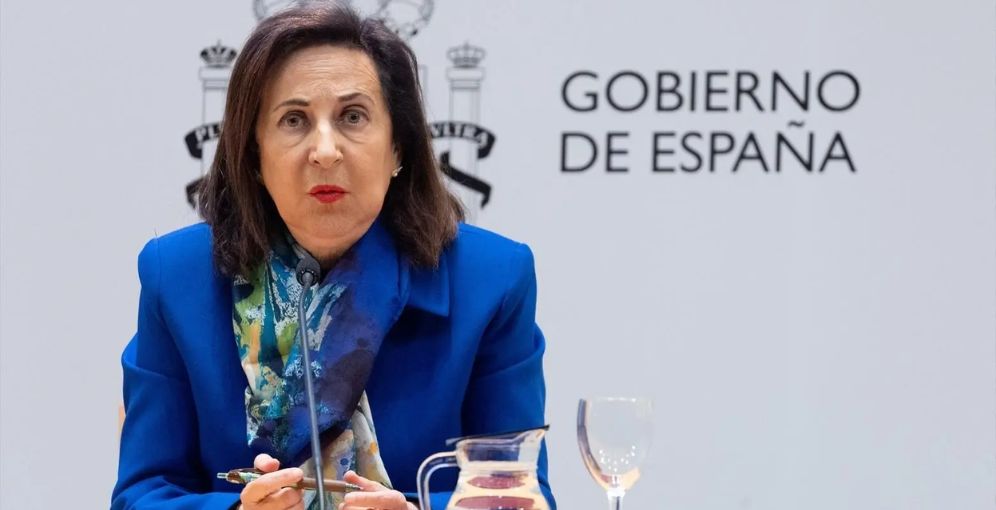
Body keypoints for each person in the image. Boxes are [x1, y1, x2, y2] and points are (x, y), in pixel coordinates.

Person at [111, 3, 553, 509]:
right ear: (254, 154)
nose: (325, 150)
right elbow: (142, 494)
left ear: (398, 148)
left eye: (352, 116)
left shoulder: (492, 281)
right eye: (294, 119)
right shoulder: (177, 277)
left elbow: (519, 495)